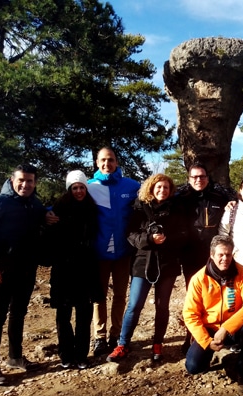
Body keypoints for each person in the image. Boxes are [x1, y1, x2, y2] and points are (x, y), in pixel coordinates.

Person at [0, 164, 46, 385]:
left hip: (26, 268)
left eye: (30, 181)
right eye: (21, 180)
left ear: (35, 183)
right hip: (2, 270)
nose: (25, 185)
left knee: (19, 313)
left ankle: (15, 357)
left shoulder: (34, 204)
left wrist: (49, 216)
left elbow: (42, 217)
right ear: (12, 181)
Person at [106, 174, 188, 363]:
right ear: (151, 188)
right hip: (143, 263)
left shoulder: (176, 208)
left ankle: (158, 343)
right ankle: (123, 344)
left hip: (167, 264)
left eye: (166, 188)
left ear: (171, 190)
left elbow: (184, 234)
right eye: (159, 187)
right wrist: (149, 240)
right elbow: (130, 234)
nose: (162, 191)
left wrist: (168, 239)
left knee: (162, 306)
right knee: (134, 305)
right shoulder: (139, 207)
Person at [183, 235, 243, 393]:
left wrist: (226, 328)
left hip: (233, 328)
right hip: (209, 330)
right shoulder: (199, 279)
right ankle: (210, 352)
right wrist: (206, 341)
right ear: (212, 255)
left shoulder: (242, 273)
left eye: (228, 254)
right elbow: (190, 314)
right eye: (220, 254)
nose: (225, 258)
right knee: (193, 367)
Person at [87, 147, 140, 356]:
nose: (106, 164)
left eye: (110, 160)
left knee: (120, 296)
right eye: (102, 160)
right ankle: (99, 337)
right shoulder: (90, 187)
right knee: (98, 297)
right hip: (99, 252)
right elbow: (68, 205)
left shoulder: (132, 186)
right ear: (96, 163)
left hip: (123, 252)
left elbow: (149, 202)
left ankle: (116, 334)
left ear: (117, 162)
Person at [47, 170, 102, 370]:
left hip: (86, 267)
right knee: (63, 313)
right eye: (75, 188)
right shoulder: (57, 210)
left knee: (84, 312)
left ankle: (81, 354)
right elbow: (47, 233)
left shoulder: (92, 209)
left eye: (82, 187)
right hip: (63, 268)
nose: (79, 191)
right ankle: (65, 353)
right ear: (69, 189)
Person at [177, 162, 234, 352]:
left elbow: (238, 198)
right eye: (194, 177)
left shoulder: (219, 196)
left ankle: (218, 333)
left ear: (208, 179)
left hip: (213, 256)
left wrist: (233, 201)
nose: (198, 180)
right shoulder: (182, 198)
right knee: (193, 298)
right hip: (190, 254)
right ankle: (191, 336)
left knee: (217, 296)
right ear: (188, 179)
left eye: (202, 176)